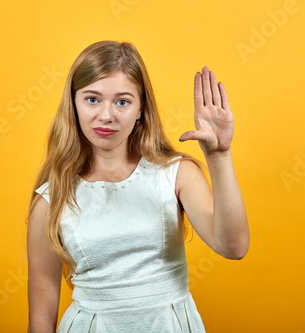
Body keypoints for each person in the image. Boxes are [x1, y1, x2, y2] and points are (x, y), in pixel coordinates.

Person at [26, 40, 249, 333]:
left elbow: (233, 247)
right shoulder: (52, 198)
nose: (106, 115)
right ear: (74, 103)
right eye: (92, 99)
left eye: (122, 101)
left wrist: (219, 156)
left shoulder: (175, 174)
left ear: (141, 108)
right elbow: (41, 318)